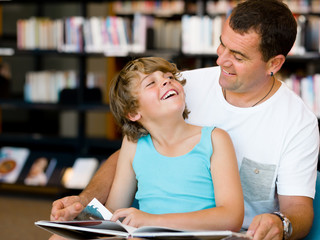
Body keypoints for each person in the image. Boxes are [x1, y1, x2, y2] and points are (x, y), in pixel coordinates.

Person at [50, 0, 320, 239]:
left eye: (237, 57)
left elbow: (298, 211)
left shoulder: (297, 123)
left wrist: (280, 224)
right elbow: (127, 157)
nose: (220, 60)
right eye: (222, 45)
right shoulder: (181, 87)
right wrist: (84, 203)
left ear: (274, 64)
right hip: (145, 228)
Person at [104, 57, 243, 230]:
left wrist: (152, 221)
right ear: (132, 112)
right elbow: (113, 213)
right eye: (151, 83)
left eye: (169, 77)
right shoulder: (133, 144)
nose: (166, 82)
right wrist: (76, 218)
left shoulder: (215, 139)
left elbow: (231, 218)